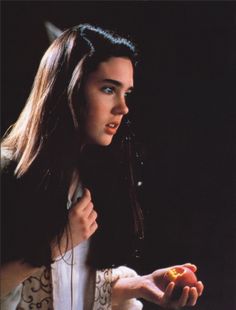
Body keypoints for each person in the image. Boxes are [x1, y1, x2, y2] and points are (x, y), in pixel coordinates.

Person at [1, 23, 204, 309]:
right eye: (108, 89)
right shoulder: (8, 173)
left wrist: (142, 285)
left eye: (127, 93)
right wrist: (53, 247)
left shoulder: (89, 177)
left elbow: (76, 286)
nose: (123, 107)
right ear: (66, 91)